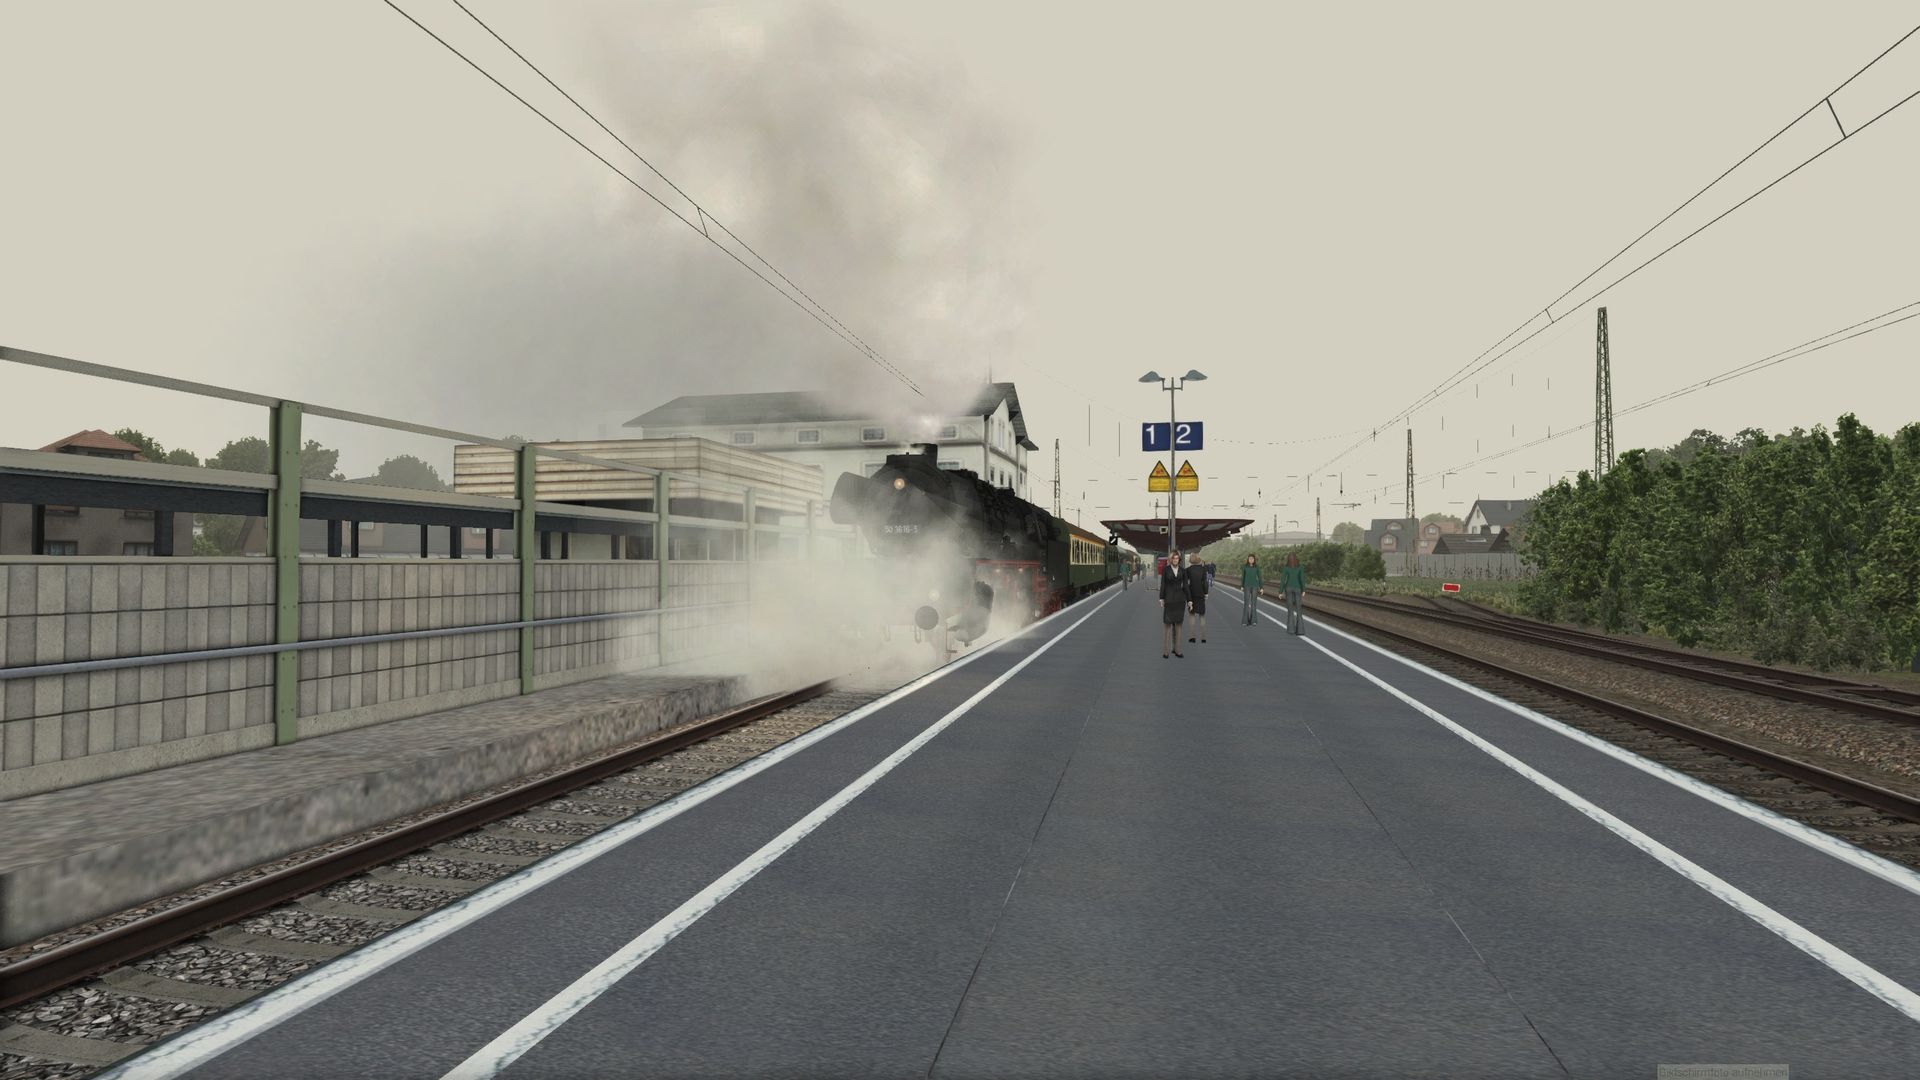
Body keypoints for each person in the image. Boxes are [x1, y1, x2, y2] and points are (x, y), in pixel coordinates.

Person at [1160, 549, 1187, 658]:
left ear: (1179, 559)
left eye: (1177, 558)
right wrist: (1161, 598)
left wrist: (1189, 600)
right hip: (1169, 600)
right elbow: (1163, 584)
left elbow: (1186, 586)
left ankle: (1177, 650)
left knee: (1178, 627)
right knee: (1167, 626)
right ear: (1171, 559)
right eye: (1174, 558)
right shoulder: (1166, 570)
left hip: (1180, 601)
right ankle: (1165, 651)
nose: (1175, 560)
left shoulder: (1183, 571)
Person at [1277, 551, 1308, 635]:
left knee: (1290, 609)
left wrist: (1280, 592)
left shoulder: (1286, 568)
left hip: (1288, 588)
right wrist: (1303, 590)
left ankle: (1291, 629)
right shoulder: (1300, 567)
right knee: (1299, 609)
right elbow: (1302, 579)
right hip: (1298, 588)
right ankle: (1300, 630)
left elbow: (1283, 580)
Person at [1185, 552, 1210, 644]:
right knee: (1202, 616)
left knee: (1192, 616)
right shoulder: (1203, 569)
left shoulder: (1188, 570)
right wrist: (1206, 593)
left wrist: (1187, 596)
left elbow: (1186, 584)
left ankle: (1192, 637)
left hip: (1191, 595)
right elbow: (1205, 582)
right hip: (1200, 594)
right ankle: (1203, 638)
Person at [1240, 554, 1262, 625]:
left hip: (1255, 586)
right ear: (1248, 559)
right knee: (1246, 603)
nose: (1251, 560)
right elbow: (1243, 577)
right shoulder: (1244, 567)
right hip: (1246, 586)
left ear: (1254, 559)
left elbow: (1260, 577)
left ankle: (1253, 621)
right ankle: (1245, 621)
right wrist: (1242, 585)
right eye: (1250, 559)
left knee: (1254, 604)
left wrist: (1261, 587)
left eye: (1252, 559)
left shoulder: (1257, 567)